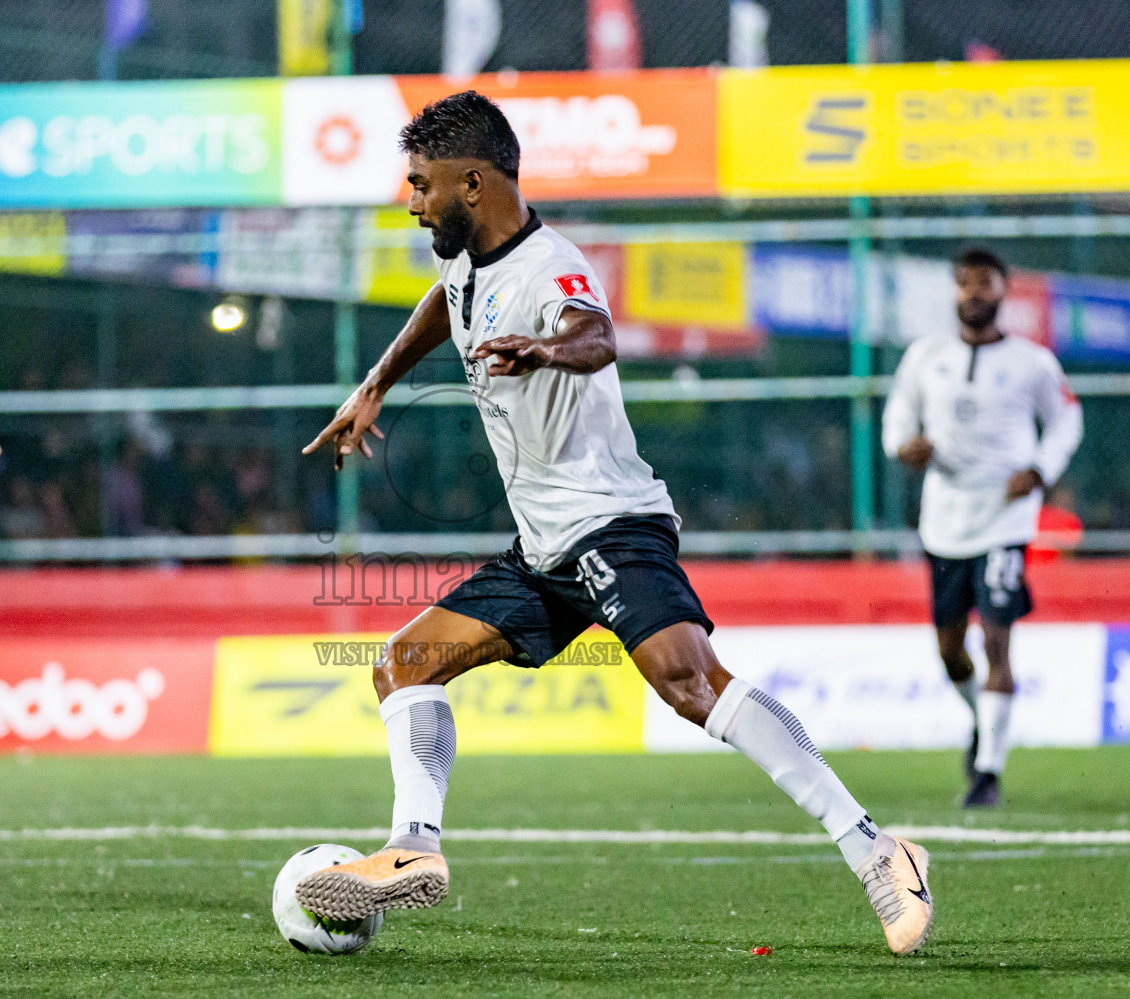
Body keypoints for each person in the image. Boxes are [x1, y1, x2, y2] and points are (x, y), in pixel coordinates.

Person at [297, 92, 934, 955]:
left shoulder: (550, 266)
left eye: (420, 184)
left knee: (689, 683)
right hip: (542, 548)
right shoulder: (468, 263)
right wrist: (373, 384)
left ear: (473, 184)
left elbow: (593, 333)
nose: (409, 201)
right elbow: (440, 308)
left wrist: (545, 350)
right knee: (405, 663)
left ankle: (877, 848)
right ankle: (414, 849)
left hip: (610, 523)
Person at [882, 248, 1083, 808]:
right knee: (950, 652)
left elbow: (1067, 417)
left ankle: (988, 774)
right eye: (965, 283)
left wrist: (1040, 469)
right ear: (954, 291)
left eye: (985, 283)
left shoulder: (1033, 362)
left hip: (1005, 517)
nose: (974, 292)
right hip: (945, 519)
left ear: (1003, 292)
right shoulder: (926, 357)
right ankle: (982, 722)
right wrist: (904, 446)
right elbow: (899, 414)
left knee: (997, 637)